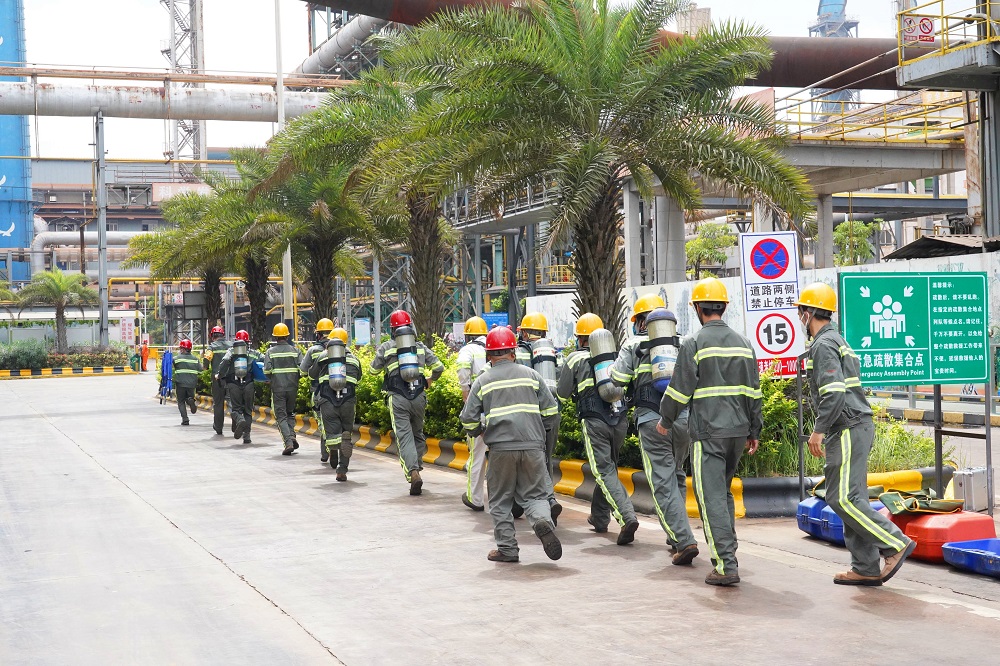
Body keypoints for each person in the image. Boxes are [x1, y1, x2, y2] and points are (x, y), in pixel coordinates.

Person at [796, 282, 915, 586]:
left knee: (843, 498)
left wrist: (818, 431)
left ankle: (894, 543)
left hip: (847, 427)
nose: (800, 318)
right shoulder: (837, 340)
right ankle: (865, 566)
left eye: (801, 312)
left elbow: (834, 393)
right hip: (854, 426)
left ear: (809, 313)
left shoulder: (824, 345)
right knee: (853, 497)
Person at [657, 277, 761, 586]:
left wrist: (666, 419)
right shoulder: (744, 344)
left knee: (710, 497)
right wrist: (754, 430)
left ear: (698, 309)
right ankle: (730, 553)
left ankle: (726, 565)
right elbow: (754, 393)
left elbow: (679, 389)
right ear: (723, 307)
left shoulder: (694, 343)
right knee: (723, 494)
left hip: (708, 434)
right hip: (738, 433)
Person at [460, 326, 562, 563]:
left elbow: (468, 419)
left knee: (500, 500)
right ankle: (542, 521)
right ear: (513, 353)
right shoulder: (532, 375)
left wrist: (480, 432)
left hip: (501, 449)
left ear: (489, 356)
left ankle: (507, 549)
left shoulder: (483, 381)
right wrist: (539, 432)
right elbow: (551, 411)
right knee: (536, 495)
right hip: (533, 446)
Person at [612, 296, 699, 565]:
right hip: (683, 421)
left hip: (652, 421)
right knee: (677, 473)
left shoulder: (633, 345)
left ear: (641, 322)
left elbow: (617, 379)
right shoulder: (683, 342)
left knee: (662, 481)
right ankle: (676, 536)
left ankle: (683, 540)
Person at [558, 313, 639, 546]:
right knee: (609, 468)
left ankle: (626, 516)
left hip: (594, 420)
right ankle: (599, 518)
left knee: (603, 471)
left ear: (581, 338)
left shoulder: (575, 358)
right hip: (619, 419)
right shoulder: (614, 356)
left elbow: (562, 393)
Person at [370, 309, 445, 495]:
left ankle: (413, 472)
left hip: (398, 397)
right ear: (411, 326)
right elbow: (439, 367)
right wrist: (430, 379)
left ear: (392, 329)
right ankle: (417, 466)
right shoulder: (419, 347)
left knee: (404, 436)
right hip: (419, 395)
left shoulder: (387, 347)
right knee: (417, 433)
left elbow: (373, 371)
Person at [515, 312, 562, 521]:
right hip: (551, 414)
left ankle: (544, 501)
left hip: (529, 417)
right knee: (546, 459)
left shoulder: (517, 353)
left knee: (526, 460)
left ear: (525, 333)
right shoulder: (553, 354)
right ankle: (548, 500)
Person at [301, 327, 361, 481]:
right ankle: (342, 470)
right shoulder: (354, 359)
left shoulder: (323, 356)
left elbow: (311, 374)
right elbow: (359, 376)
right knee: (347, 432)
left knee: (332, 435)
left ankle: (338, 444)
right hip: (349, 401)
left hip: (328, 401)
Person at [457, 315, 489, 511]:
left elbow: (462, 367)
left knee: (477, 456)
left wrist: (465, 390)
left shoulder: (468, 349)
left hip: (479, 410)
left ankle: (475, 499)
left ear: (468, 335)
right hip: (498, 410)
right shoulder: (493, 346)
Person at [301, 318, 338, 463]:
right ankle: (327, 452)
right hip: (339, 391)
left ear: (318, 334)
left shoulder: (313, 350)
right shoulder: (340, 349)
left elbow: (303, 371)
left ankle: (329, 449)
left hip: (319, 392)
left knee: (323, 422)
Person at [264, 322, 303, 456]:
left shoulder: (270, 352)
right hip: (292, 387)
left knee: (281, 416)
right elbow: (302, 369)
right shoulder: (296, 351)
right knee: (289, 413)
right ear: (287, 336)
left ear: (275, 337)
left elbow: (267, 370)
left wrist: (272, 378)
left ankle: (288, 442)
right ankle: (291, 435)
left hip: (278, 388)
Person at [217, 330, 261, 445]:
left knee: (235, 409)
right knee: (248, 411)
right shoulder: (253, 353)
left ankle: (240, 420)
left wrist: (220, 375)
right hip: (249, 384)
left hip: (234, 384)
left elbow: (225, 361)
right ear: (248, 341)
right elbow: (264, 360)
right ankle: (247, 436)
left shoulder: (231, 351)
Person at [203, 325, 232, 436]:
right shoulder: (231, 345)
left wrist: (205, 367)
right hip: (231, 379)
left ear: (212, 336)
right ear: (223, 335)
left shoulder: (212, 347)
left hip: (217, 379)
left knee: (218, 403)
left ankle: (218, 427)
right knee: (232, 401)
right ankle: (237, 421)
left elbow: (206, 359)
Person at [172, 338, 200, 426]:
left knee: (181, 401)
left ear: (183, 349)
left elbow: (170, 366)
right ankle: (191, 400)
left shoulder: (176, 359)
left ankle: (185, 419)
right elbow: (201, 369)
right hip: (192, 384)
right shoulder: (195, 359)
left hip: (180, 384)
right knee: (189, 397)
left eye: (180, 348)